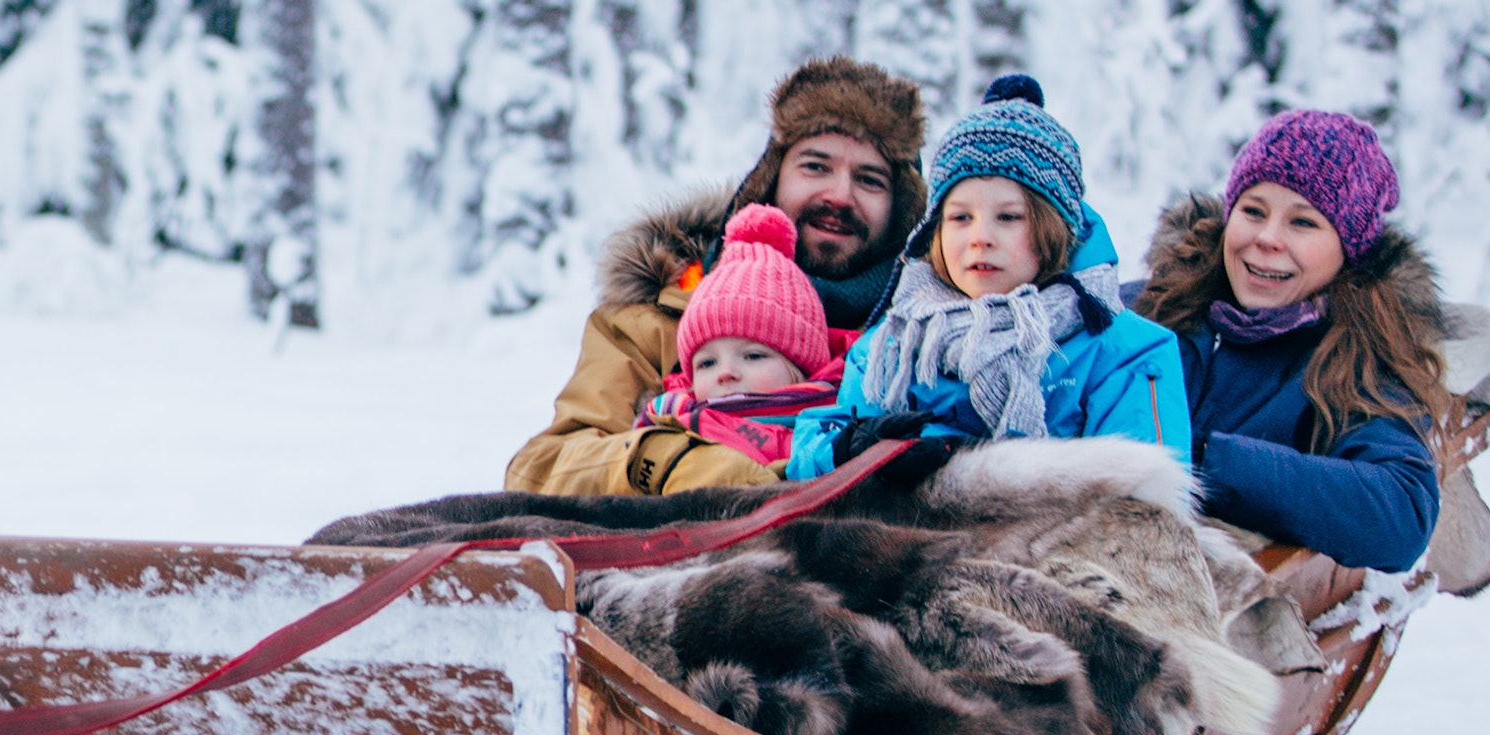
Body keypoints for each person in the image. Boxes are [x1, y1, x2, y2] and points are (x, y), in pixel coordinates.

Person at [503, 57, 925, 495]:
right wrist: (676, 463)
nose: (840, 195)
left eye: (870, 180)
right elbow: (541, 469)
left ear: (902, 210)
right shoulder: (656, 320)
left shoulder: (928, 338)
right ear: (770, 179)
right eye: (816, 166)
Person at [786, 76, 1190, 478]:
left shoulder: (1124, 351)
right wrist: (847, 449)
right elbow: (813, 447)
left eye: (1009, 218)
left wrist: (987, 474)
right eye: (961, 218)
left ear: (1054, 229)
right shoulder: (896, 342)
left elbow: (1145, 498)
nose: (980, 238)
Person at [1127, 110, 1448, 570]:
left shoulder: (1357, 358)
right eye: (1253, 211)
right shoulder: (1153, 308)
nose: (1267, 238)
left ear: (1348, 250)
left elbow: (1401, 513)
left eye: (1303, 223)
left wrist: (1207, 461)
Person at [634, 204, 845, 467]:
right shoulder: (667, 425)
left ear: (801, 368)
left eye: (753, 355)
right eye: (707, 363)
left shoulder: (837, 433)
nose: (725, 372)